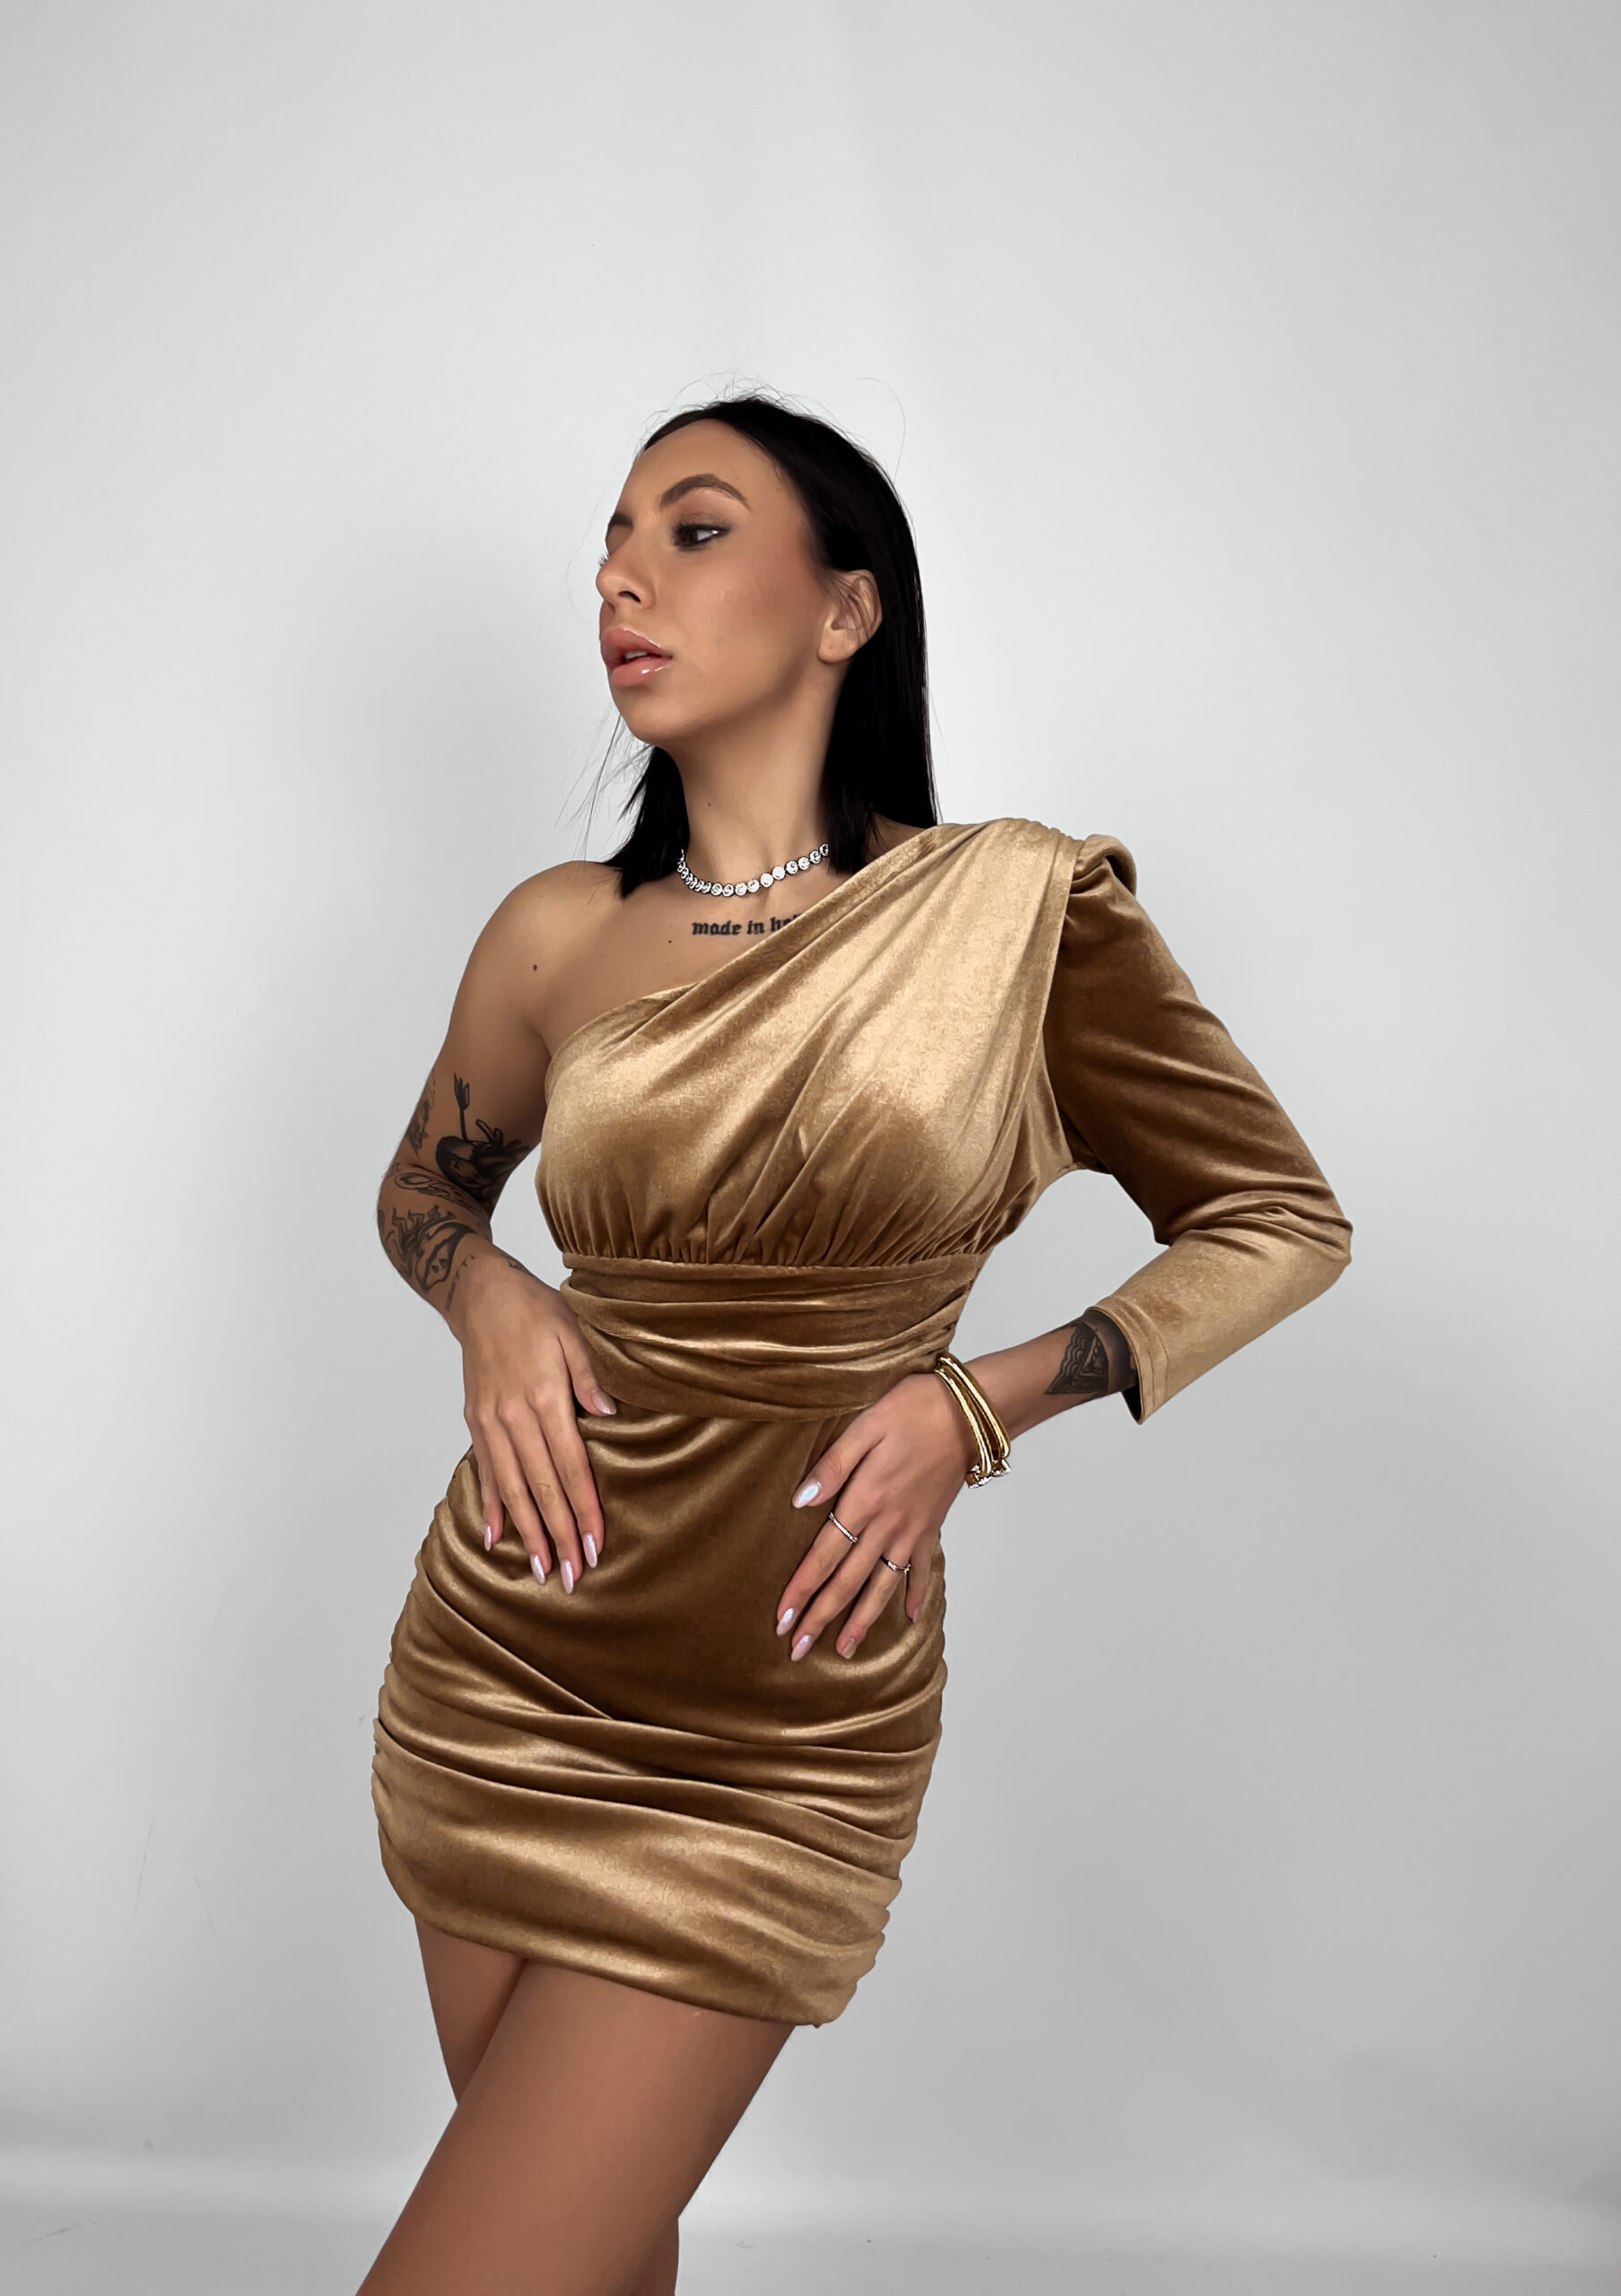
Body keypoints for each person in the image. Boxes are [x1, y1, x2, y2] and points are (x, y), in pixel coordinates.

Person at [357, 394, 1352, 2296]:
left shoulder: (1016, 914)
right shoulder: (557, 933)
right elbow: (425, 1192)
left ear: (845, 609)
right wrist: (486, 1291)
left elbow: (1278, 1219)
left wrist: (978, 1404)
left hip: (782, 1721)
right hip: (506, 1665)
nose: (621, 579)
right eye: (611, 541)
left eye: (693, 530)